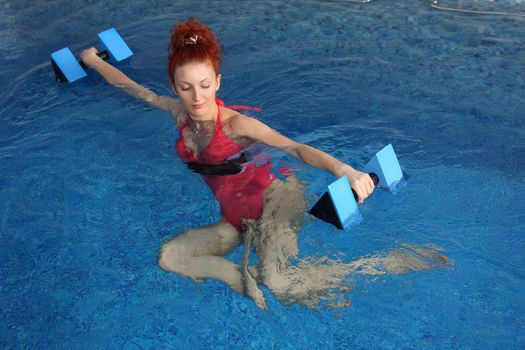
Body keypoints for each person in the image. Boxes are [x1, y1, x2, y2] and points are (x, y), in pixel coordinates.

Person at [80, 18, 445, 309]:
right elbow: (134, 89)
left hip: (275, 203)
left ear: (218, 82)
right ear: (175, 87)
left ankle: (392, 263)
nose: (196, 97)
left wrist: (344, 170)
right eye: (186, 87)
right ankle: (242, 276)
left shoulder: (238, 125)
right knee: (171, 256)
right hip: (236, 219)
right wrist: (93, 61)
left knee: (280, 284)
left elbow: (294, 148)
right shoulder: (177, 113)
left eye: (205, 85)